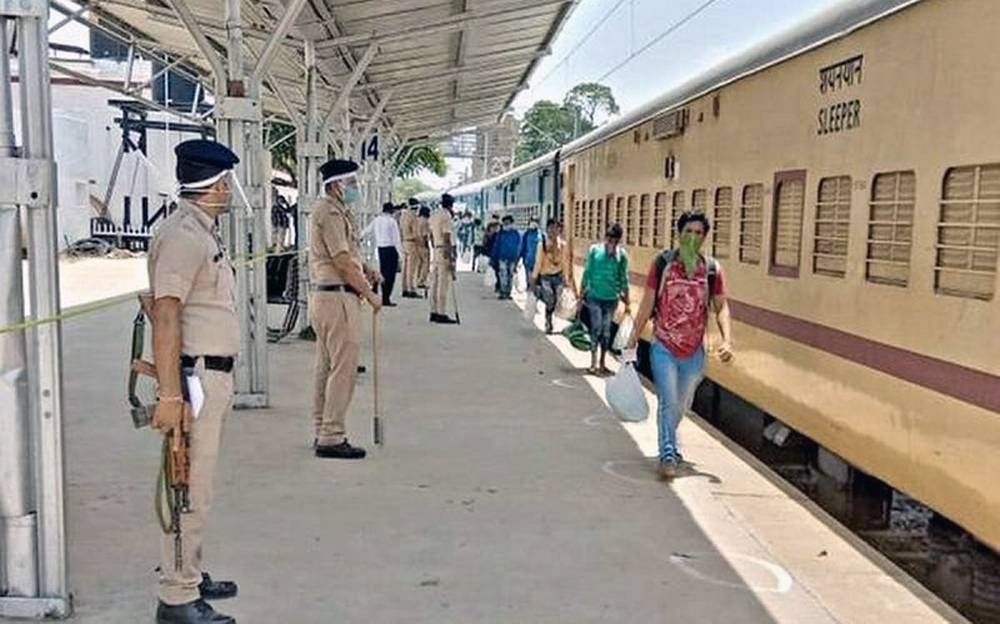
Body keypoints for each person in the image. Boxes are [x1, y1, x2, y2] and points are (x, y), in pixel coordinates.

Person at [147, 139, 240, 624]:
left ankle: (190, 572)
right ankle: (177, 598)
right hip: (193, 378)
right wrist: (168, 394)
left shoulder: (200, 230)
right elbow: (166, 314)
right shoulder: (185, 235)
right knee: (189, 486)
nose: (229, 191)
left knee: (197, 484)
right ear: (214, 185)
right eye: (226, 183)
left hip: (209, 373)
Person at [626, 211, 733, 479]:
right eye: (689, 231)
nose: (693, 237)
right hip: (663, 345)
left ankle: (669, 440)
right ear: (679, 233)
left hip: (694, 351)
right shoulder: (663, 264)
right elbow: (648, 304)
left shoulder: (711, 270)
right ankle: (668, 455)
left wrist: (727, 340)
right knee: (667, 400)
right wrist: (632, 339)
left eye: (699, 233)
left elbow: (721, 306)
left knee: (682, 404)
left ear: (705, 237)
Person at [309, 158, 382, 460]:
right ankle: (332, 435)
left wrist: (366, 268)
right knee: (343, 370)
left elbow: (347, 254)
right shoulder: (330, 211)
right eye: (351, 183)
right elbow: (339, 260)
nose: (355, 188)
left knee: (326, 368)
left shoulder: (334, 211)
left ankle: (322, 429)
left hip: (328, 298)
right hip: (338, 299)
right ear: (337, 185)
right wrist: (369, 294)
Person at [579, 223, 630, 375]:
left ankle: (602, 362)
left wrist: (627, 300)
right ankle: (593, 362)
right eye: (610, 240)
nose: (612, 244)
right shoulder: (595, 251)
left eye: (615, 241)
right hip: (594, 297)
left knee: (606, 332)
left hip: (611, 299)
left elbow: (623, 278)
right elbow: (587, 272)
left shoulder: (621, 256)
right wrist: (581, 295)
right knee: (597, 327)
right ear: (605, 238)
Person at [530, 218, 577, 334]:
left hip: (558, 276)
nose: (554, 231)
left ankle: (550, 317)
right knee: (550, 299)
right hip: (545, 276)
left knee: (557, 299)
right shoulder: (542, 244)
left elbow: (565, 262)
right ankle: (548, 320)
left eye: (556, 228)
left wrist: (566, 278)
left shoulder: (563, 245)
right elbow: (538, 261)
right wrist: (534, 277)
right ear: (547, 229)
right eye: (551, 228)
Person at [360, 202, 403, 306]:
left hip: (381, 249)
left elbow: (367, 231)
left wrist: (359, 237)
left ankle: (375, 289)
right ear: (391, 211)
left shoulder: (377, 220)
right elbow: (396, 239)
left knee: (382, 272)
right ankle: (385, 298)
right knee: (390, 275)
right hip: (391, 249)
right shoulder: (391, 221)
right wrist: (401, 254)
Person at [428, 193, 459, 324]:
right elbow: (447, 236)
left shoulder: (434, 215)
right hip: (444, 250)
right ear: (451, 205)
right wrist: (450, 256)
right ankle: (442, 312)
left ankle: (433, 311)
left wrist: (435, 247)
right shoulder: (446, 216)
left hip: (436, 249)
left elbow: (430, 235)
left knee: (434, 282)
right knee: (443, 283)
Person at [400, 198, 420, 298]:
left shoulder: (403, 216)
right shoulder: (413, 217)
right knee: (411, 269)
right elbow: (416, 233)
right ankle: (411, 289)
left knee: (404, 268)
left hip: (404, 243)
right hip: (412, 243)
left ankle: (404, 288)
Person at [483, 214, 502, 293]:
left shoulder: (499, 229)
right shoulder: (490, 228)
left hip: (498, 252)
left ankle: (499, 285)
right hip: (492, 252)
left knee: (498, 269)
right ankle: (498, 284)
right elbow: (486, 240)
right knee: (497, 269)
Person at [415, 206, 432, 290]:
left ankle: (417, 279)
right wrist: (427, 244)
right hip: (423, 244)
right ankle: (422, 281)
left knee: (419, 264)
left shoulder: (416, 220)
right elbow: (425, 235)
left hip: (416, 244)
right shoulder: (425, 222)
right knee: (425, 264)